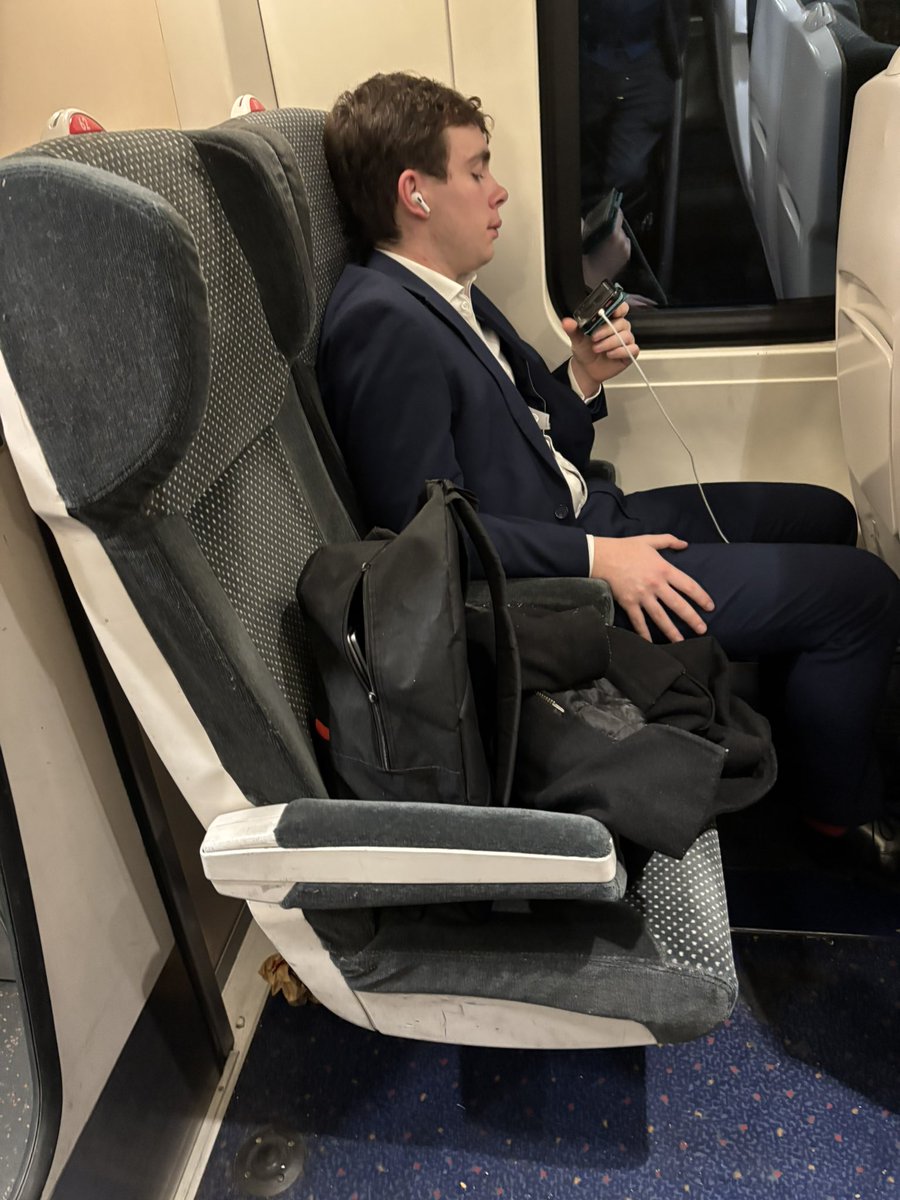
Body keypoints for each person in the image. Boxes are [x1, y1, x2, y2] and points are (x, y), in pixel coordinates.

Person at [318, 71, 900, 882]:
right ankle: (837, 810)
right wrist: (598, 562)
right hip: (561, 583)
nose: (501, 192)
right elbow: (424, 536)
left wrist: (583, 376)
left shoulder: (452, 295)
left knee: (826, 515)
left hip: (597, 516)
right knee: (863, 595)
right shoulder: (379, 323)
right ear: (415, 192)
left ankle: (796, 724)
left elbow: (529, 428)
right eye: (478, 170)